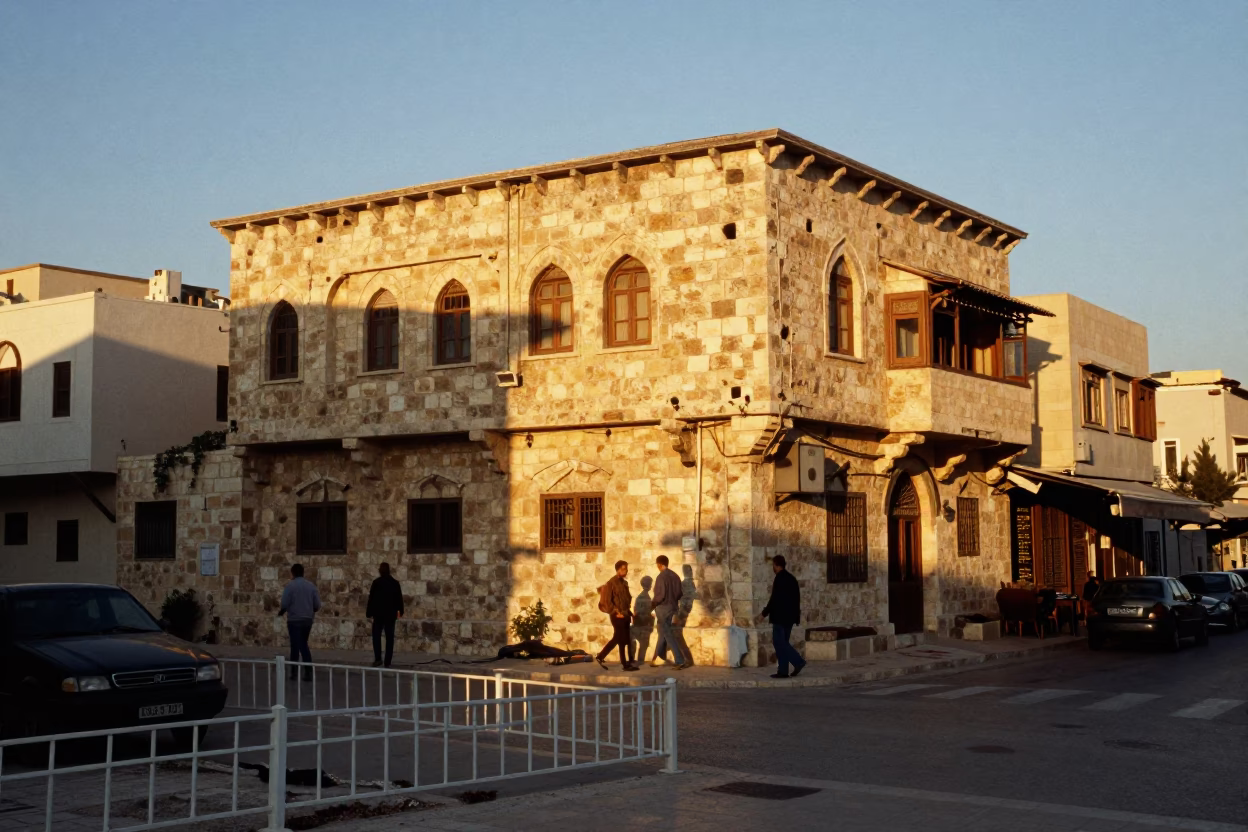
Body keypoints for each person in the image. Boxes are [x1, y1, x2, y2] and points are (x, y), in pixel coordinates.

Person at [760, 555, 805, 679]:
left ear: (776, 565)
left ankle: (798, 662)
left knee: (780, 643)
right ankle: (783, 670)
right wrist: (796, 617)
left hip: (780, 617)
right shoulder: (792, 579)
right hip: (790, 618)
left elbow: (774, 599)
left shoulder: (779, 579)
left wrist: (763, 614)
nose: (772, 568)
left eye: (773, 565)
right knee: (783, 642)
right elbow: (797, 599)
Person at [278, 563, 321, 680]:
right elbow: (317, 605)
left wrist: (281, 612)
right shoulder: (311, 586)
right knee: (303, 644)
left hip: (294, 620)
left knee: (295, 646)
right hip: (307, 620)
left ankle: (294, 672)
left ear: (293, 573)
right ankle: (307, 671)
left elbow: (285, 604)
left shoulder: (290, 586)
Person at [595, 560, 639, 671]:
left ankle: (601, 656)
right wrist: (616, 612)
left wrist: (630, 614)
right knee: (621, 640)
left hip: (625, 614)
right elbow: (606, 601)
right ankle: (625, 664)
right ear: (618, 569)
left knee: (621, 638)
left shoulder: (624, 583)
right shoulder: (611, 583)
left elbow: (626, 600)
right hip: (616, 616)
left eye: (626, 568)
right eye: (624, 568)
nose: (626, 571)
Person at [650, 555, 691, 669]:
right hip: (672, 608)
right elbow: (679, 594)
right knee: (663, 633)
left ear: (659, 564)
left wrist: (651, 606)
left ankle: (679, 660)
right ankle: (656, 658)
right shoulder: (676, 576)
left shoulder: (661, 577)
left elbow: (660, 596)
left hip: (663, 609)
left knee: (667, 634)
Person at [366, 562, 404, 668]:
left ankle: (378, 659)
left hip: (378, 615)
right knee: (389, 638)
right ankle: (388, 661)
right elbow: (399, 599)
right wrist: (400, 611)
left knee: (376, 637)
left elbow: (371, 599)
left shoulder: (376, 583)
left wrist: (369, 612)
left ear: (380, 571)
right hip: (390, 615)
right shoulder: (395, 583)